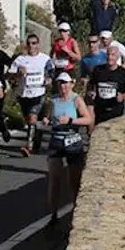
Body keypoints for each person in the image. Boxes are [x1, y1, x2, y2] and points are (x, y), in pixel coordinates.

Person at [42, 74, 92, 226]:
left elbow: (88, 119)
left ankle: (76, 213)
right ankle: (53, 214)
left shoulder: (76, 100)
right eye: (61, 84)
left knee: (74, 181)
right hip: (56, 140)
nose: (63, 87)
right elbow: (49, 116)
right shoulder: (54, 100)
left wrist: (71, 121)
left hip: (73, 141)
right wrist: (47, 120)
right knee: (54, 179)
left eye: (66, 84)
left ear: (72, 84)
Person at [9, 33, 52, 157]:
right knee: (29, 120)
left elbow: (52, 73)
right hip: (24, 95)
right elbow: (9, 76)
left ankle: (28, 146)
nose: (31, 46)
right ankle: (37, 137)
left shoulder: (45, 59)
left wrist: (48, 79)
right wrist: (18, 74)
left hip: (39, 94)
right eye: (29, 43)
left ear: (38, 45)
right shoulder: (20, 60)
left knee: (33, 117)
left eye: (34, 43)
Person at [87, 48, 125, 123]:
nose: (110, 57)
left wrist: (123, 96)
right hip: (100, 109)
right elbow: (91, 84)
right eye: (108, 54)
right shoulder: (98, 70)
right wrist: (91, 92)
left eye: (113, 55)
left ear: (118, 57)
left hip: (115, 110)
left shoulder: (123, 72)